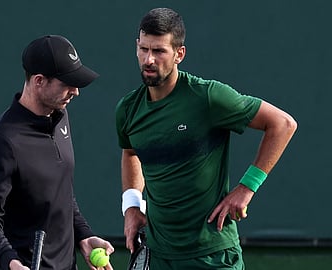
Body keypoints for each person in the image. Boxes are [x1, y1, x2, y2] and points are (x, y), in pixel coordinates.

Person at [115, 8, 297, 269]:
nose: (148, 60)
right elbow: (131, 153)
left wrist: (247, 188)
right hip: (159, 255)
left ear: (180, 54)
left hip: (213, 256)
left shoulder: (209, 97)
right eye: (143, 49)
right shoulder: (128, 109)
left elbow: (283, 124)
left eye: (159, 51)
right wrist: (131, 207)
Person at [0, 35, 114, 270]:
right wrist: (11, 262)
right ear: (39, 81)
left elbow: (60, 193)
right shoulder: (3, 141)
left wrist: (84, 236)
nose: (76, 92)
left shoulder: (60, 116)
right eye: (67, 83)